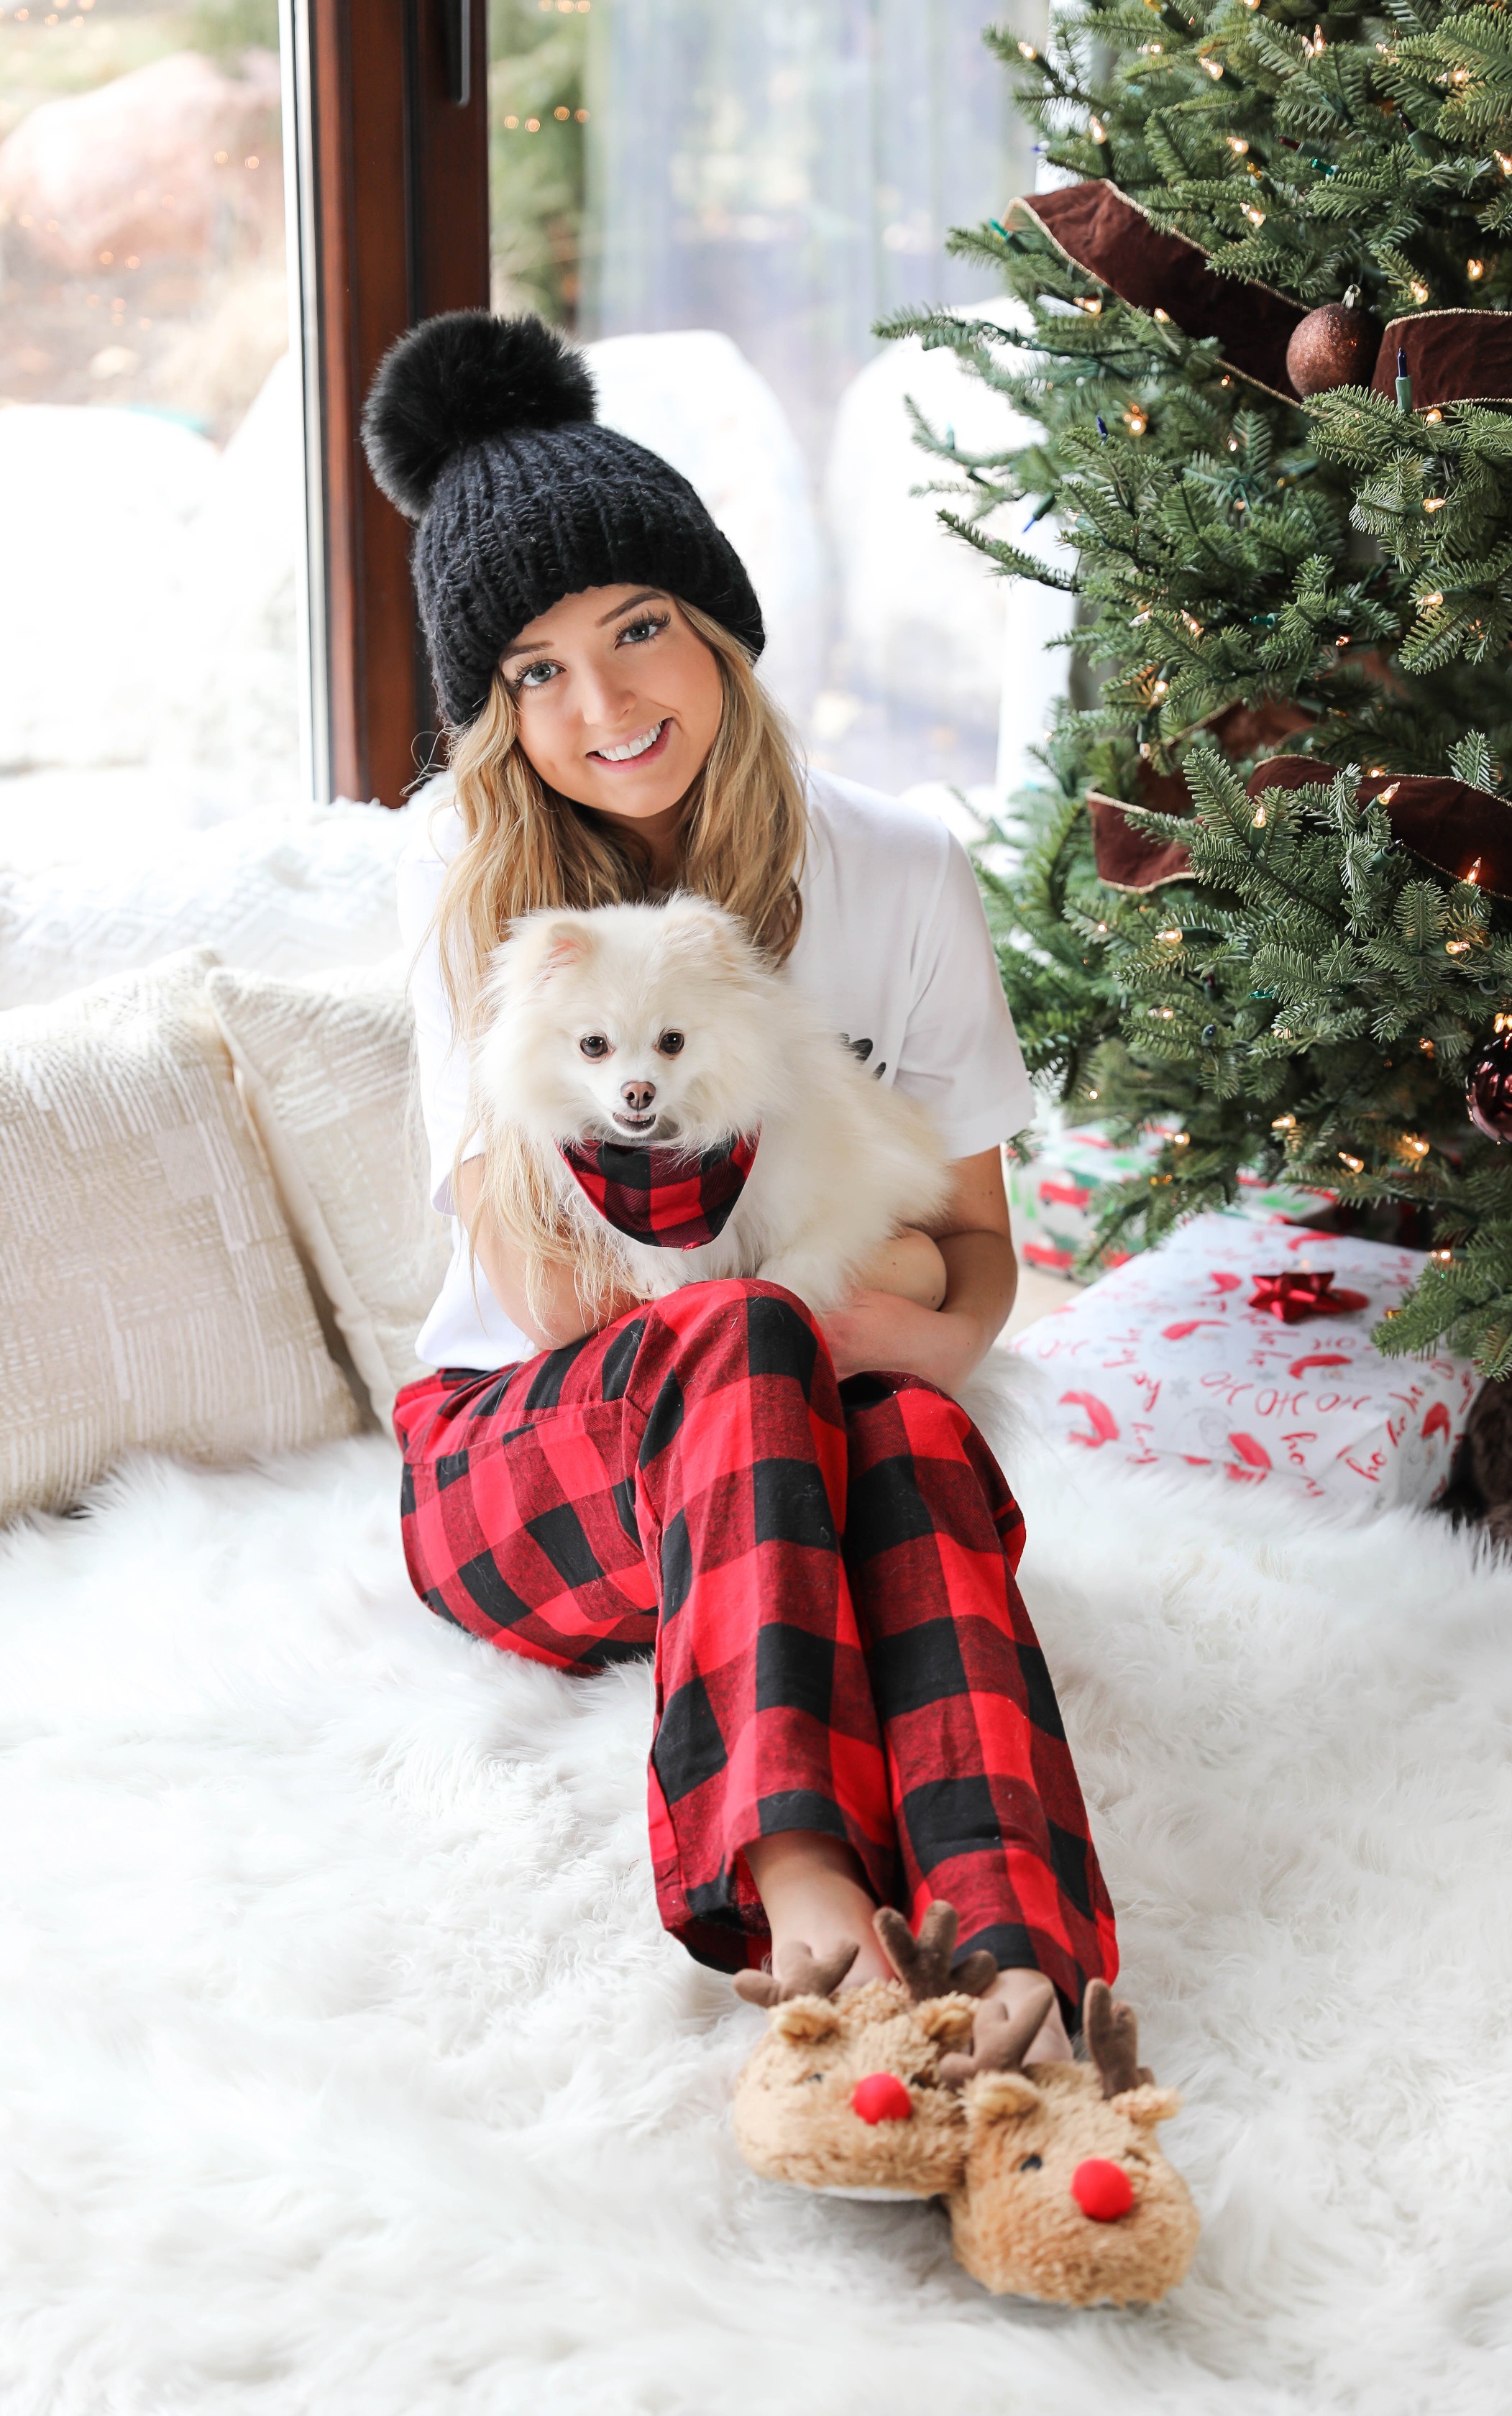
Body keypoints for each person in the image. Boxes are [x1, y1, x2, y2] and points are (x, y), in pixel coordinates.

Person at [367, 311, 1116, 2064]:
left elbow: (979, 1262)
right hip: (531, 1465)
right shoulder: (471, 892)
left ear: (714, 629)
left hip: (827, 1443)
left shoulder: (902, 870)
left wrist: (911, 1327)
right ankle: (803, 1894)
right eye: (535, 670)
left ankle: (1021, 1964)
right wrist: (828, 1304)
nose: (604, 704)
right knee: (746, 1346)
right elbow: (551, 1294)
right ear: (493, 712)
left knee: (917, 1441)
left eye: (637, 631)